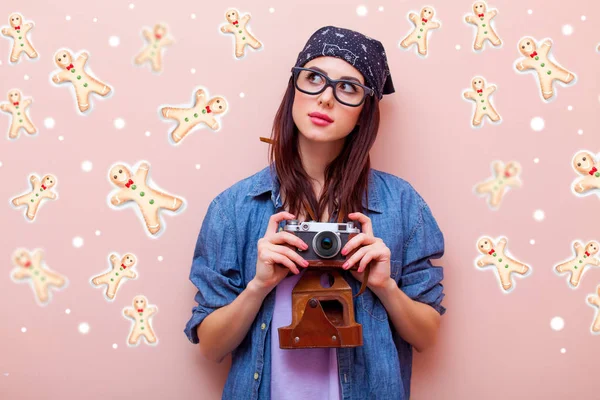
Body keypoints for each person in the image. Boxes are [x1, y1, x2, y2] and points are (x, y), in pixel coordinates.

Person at [184, 25, 446, 400]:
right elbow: (210, 347)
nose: (325, 98)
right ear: (294, 89)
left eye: (348, 88)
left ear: (366, 110)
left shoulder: (402, 205)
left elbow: (426, 335)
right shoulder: (235, 208)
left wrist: (384, 286)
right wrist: (259, 286)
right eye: (314, 79)